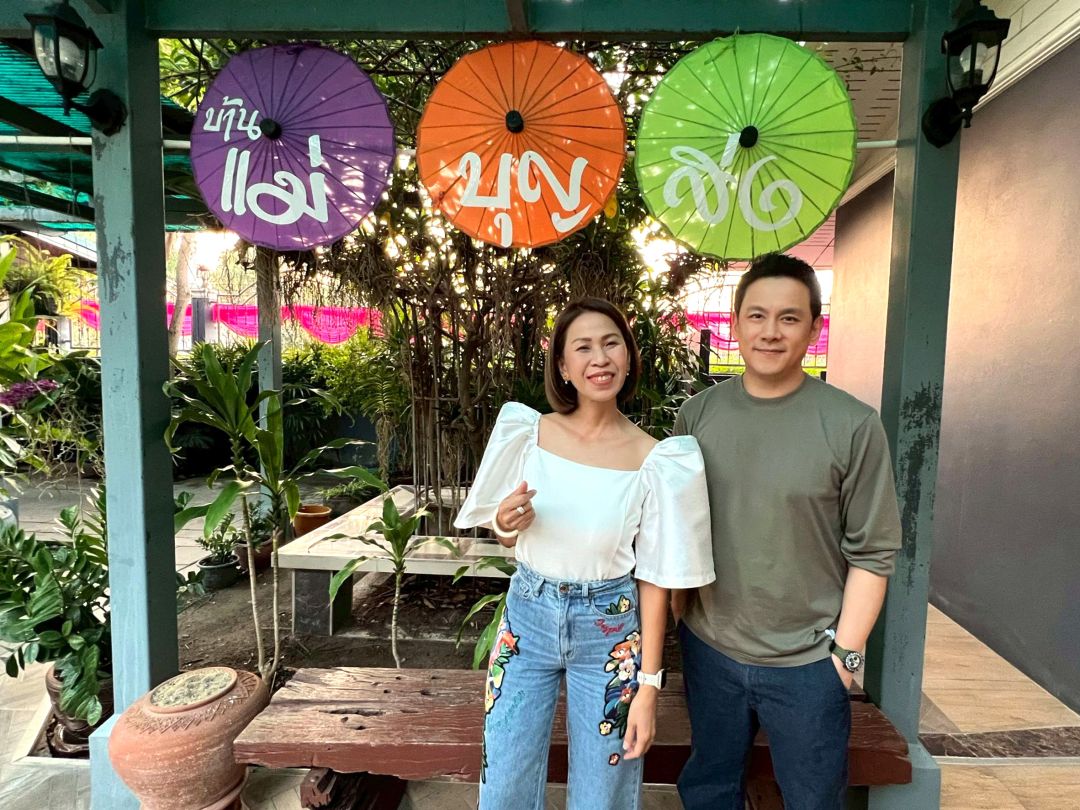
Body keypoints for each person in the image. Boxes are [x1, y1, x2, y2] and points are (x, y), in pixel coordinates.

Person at [454, 297, 715, 810]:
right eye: (584, 347)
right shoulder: (529, 433)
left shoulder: (656, 459)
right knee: (504, 782)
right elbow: (505, 532)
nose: (600, 358)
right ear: (563, 366)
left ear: (629, 357)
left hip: (610, 630)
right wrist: (505, 523)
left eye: (612, 344)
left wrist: (649, 686)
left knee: (604, 793)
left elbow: (656, 577)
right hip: (527, 617)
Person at [674, 253, 902, 810]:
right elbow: (676, 535)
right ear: (735, 324)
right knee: (708, 792)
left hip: (809, 663)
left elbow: (873, 553)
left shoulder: (853, 425)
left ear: (814, 328)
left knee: (813, 799)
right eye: (756, 315)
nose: (770, 332)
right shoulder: (697, 417)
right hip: (711, 651)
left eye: (789, 317)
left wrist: (844, 659)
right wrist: (680, 622)